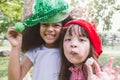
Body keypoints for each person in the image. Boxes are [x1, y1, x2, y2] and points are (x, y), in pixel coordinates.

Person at [7, 0, 73, 80]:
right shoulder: (35, 51)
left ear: (65, 28)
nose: (50, 29)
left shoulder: (69, 51)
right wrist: (15, 47)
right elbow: (14, 79)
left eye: (56, 25)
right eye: (45, 24)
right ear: (37, 27)